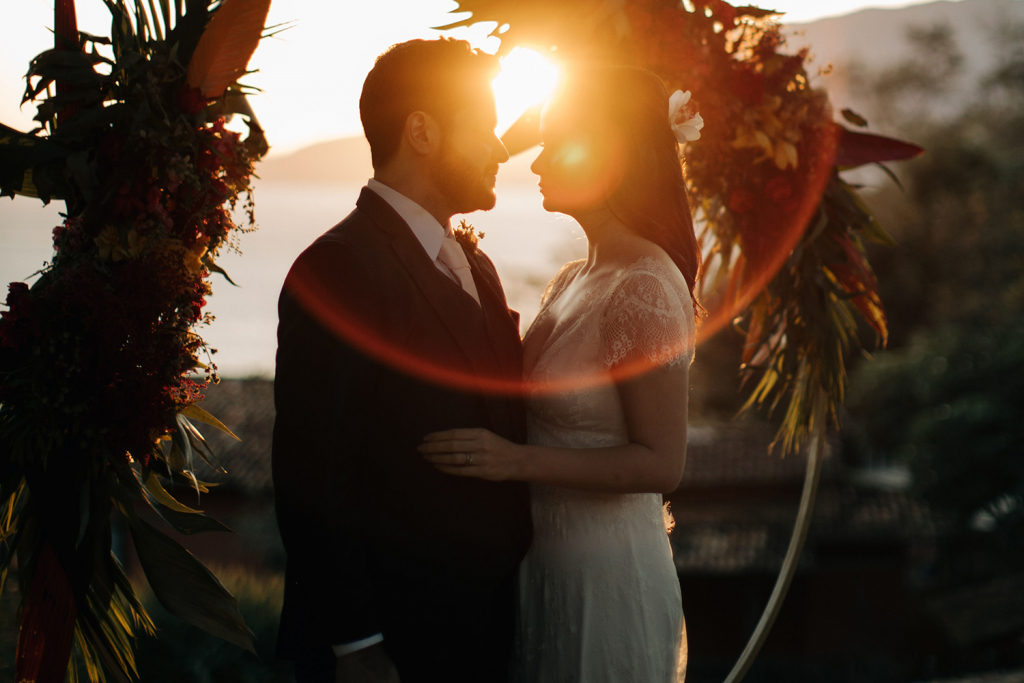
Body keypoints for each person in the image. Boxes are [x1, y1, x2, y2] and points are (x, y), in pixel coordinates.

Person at [419, 66, 703, 682]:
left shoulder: (645, 287)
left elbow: (662, 464)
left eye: (555, 145)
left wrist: (511, 460)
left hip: (605, 577)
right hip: (544, 565)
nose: (537, 162)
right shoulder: (574, 278)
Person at [271, 38, 532, 683]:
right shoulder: (336, 269)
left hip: (489, 637)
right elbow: (313, 478)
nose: (501, 150)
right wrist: (358, 645)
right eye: (487, 128)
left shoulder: (478, 266)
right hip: (395, 649)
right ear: (421, 130)